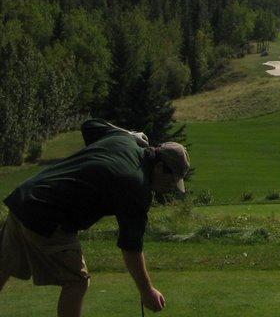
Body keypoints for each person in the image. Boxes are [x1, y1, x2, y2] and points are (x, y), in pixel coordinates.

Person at [0, 119, 190, 316]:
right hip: (49, 216)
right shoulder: (136, 186)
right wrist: (146, 291)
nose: (169, 187)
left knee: (4, 264)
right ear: (159, 167)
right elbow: (131, 248)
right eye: (170, 179)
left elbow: (91, 125)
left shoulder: (124, 141)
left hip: (25, 197)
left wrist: (125, 133)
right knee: (76, 282)